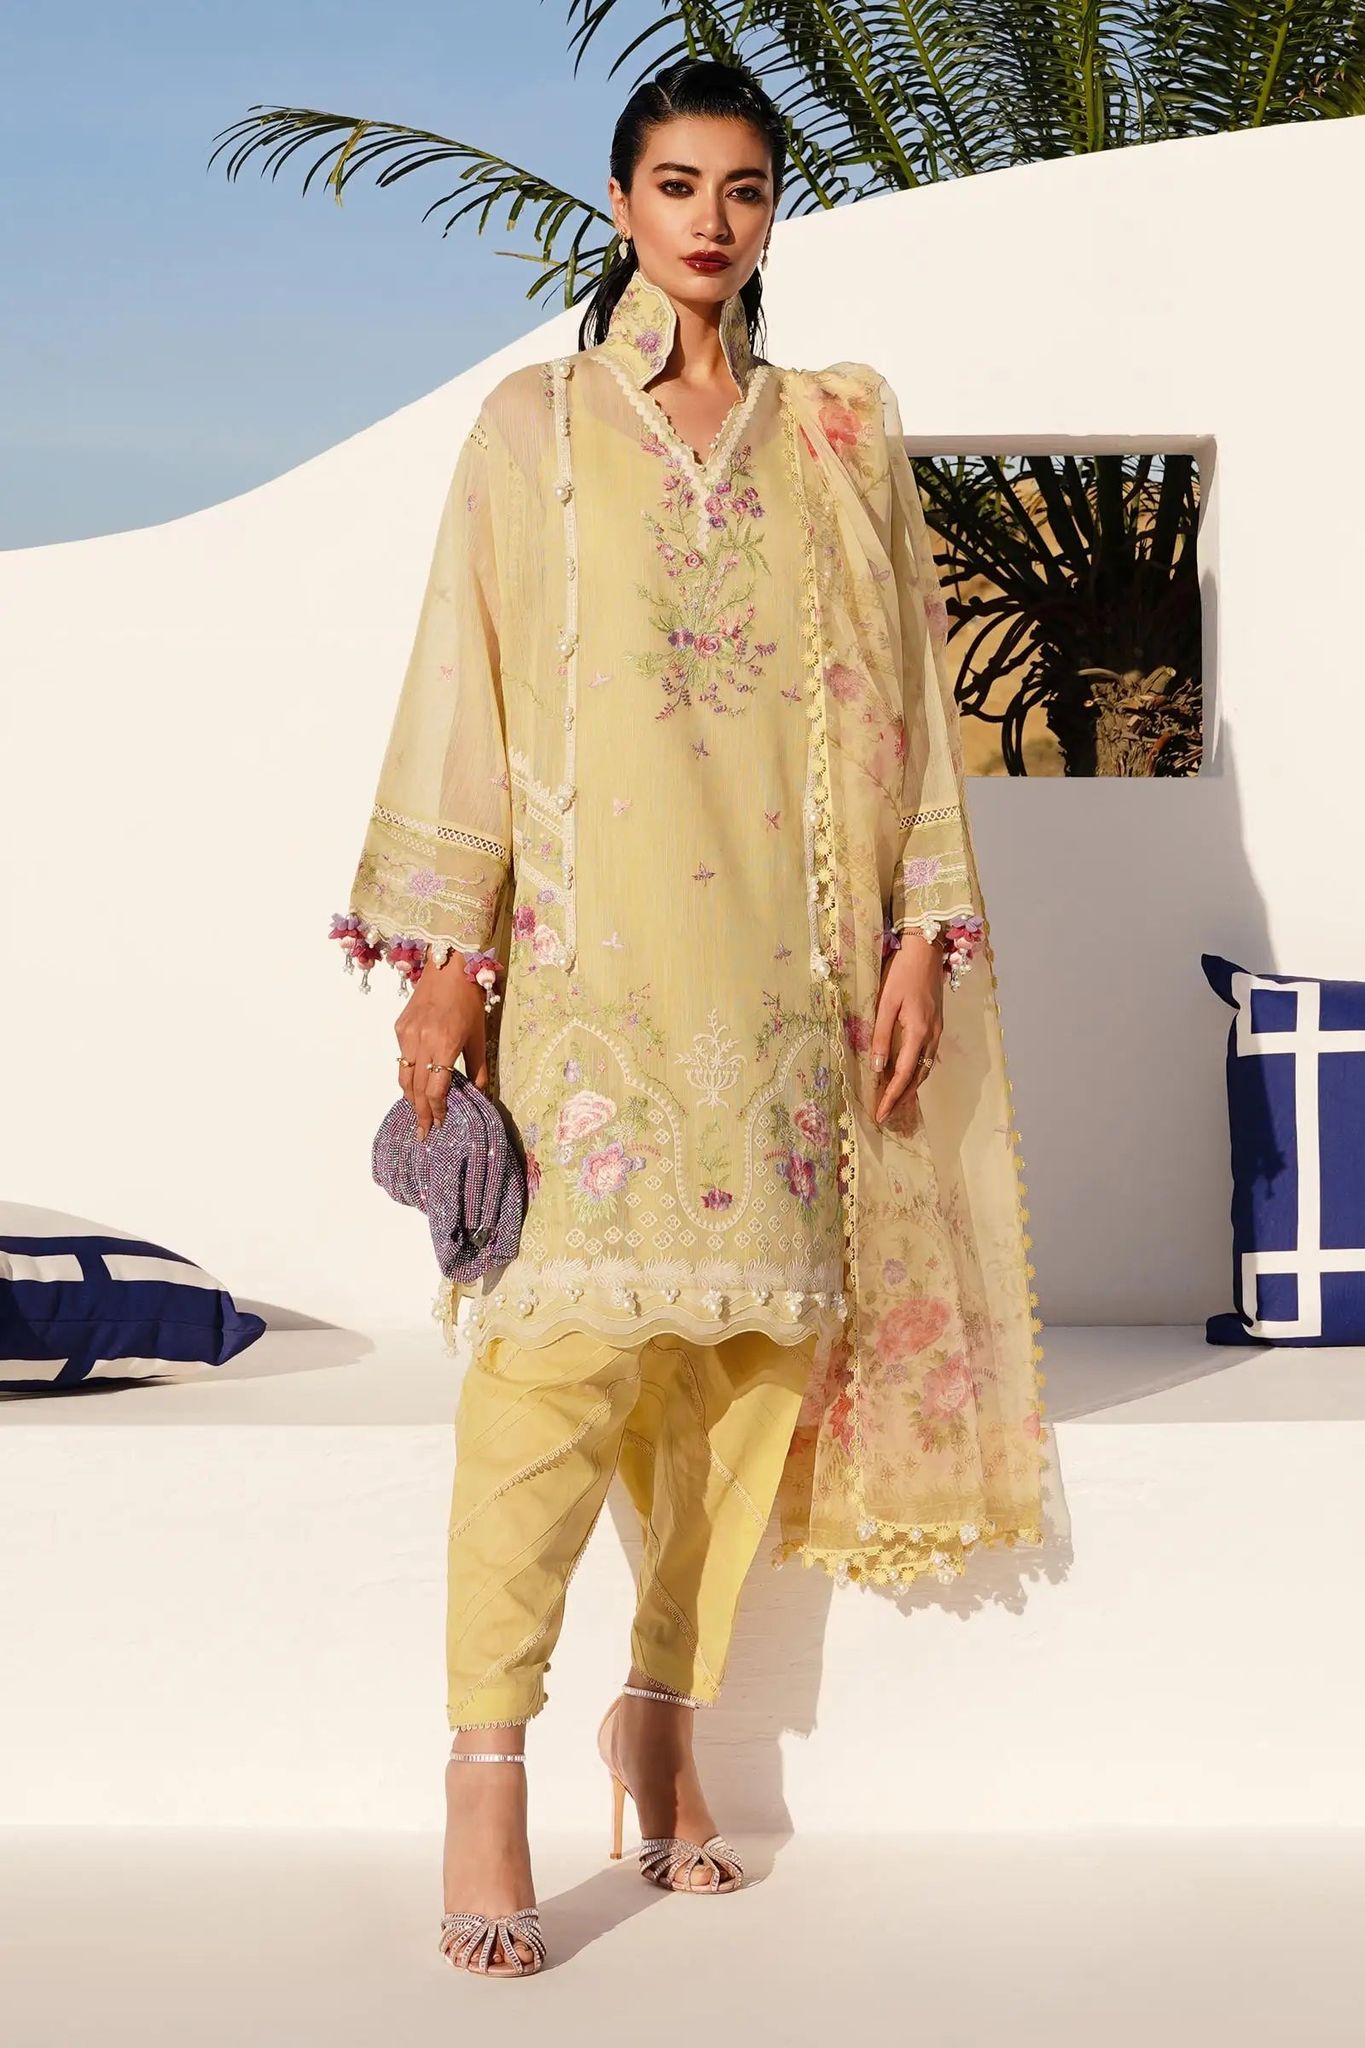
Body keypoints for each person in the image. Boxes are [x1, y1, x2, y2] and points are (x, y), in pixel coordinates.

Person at [330, 57, 1050, 1978]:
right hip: (596, 976)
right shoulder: (535, 428)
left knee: (743, 1381)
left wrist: (917, 936)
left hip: (791, 977)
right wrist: (452, 954)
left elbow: (910, 700)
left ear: (769, 210)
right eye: (675, 184)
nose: (709, 221)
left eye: (741, 187)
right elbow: (468, 680)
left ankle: (658, 1722)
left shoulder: (834, 435)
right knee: (552, 1378)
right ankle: (486, 1765)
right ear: (621, 204)